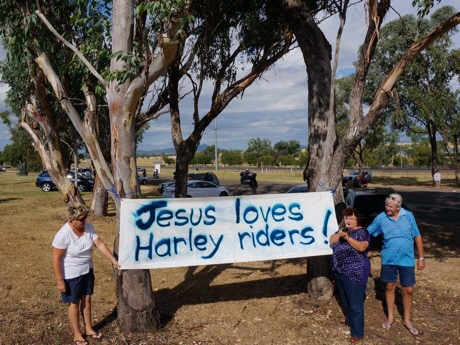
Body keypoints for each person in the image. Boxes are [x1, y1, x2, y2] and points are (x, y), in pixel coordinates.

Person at [52, 204, 120, 345]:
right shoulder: (63, 234)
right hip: (71, 274)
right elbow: (56, 259)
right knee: (74, 303)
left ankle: (88, 328)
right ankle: (77, 334)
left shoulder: (88, 227)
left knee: (87, 299)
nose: (85, 221)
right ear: (72, 220)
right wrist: (60, 281)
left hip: (87, 269)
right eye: (81, 219)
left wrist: (112, 259)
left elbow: (99, 244)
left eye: (85, 217)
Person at [367, 193, 425, 337]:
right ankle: (391, 317)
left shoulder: (409, 216)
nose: (387, 208)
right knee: (390, 286)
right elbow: (367, 232)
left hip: (407, 260)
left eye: (390, 206)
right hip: (389, 259)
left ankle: (407, 320)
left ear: (398, 207)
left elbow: (417, 236)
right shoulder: (381, 217)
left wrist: (421, 257)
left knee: (408, 290)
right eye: (386, 205)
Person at [330, 208, 370, 343]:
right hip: (339, 270)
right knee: (345, 300)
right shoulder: (342, 230)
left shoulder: (362, 232)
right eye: (346, 218)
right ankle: (349, 320)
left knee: (355, 303)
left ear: (357, 219)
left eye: (351, 218)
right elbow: (331, 239)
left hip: (355, 272)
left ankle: (357, 333)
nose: (348, 220)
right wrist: (340, 234)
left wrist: (347, 238)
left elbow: (362, 247)